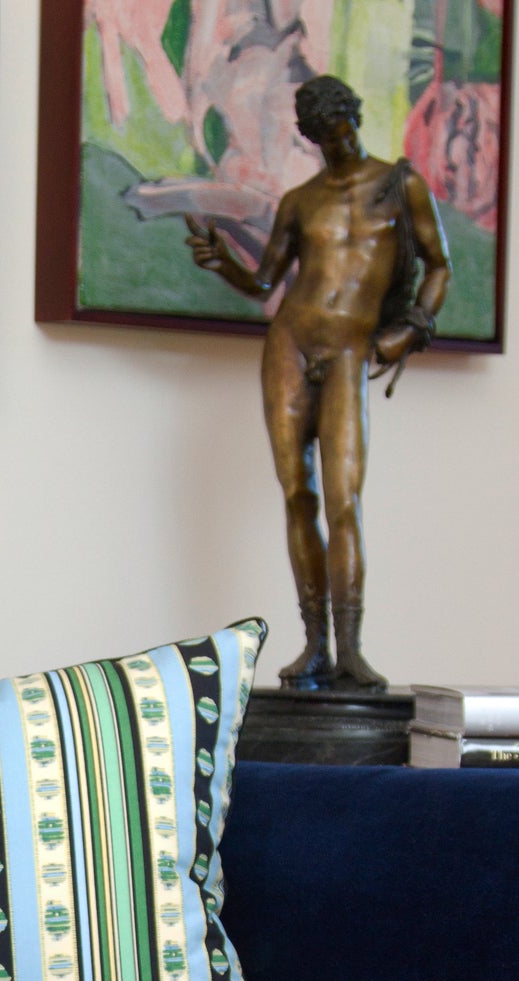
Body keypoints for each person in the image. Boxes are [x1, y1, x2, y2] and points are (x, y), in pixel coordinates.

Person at [186, 75, 451, 691]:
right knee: (297, 495)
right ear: (310, 138)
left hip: (352, 346)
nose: (340, 143)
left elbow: (439, 265)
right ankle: (314, 645)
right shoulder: (301, 201)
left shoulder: (399, 184)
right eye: (326, 137)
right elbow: (263, 283)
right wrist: (222, 259)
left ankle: (352, 649)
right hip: (290, 341)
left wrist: (412, 328)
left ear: (354, 120)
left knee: (343, 498)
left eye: (346, 130)